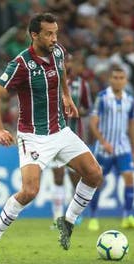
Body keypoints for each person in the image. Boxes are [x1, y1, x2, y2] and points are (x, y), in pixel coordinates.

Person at [0, 13, 103, 259]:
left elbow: (62, 73)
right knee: (29, 191)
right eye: (48, 34)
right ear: (34, 35)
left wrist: (67, 96)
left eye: (55, 32)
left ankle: (67, 221)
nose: (54, 38)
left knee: (94, 174)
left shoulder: (57, 52)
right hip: (33, 136)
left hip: (60, 130)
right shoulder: (20, 64)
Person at [89, 66, 134, 230]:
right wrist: (103, 141)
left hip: (122, 147)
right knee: (97, 182)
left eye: (121, 78)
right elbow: (93, 123)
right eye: (115, 77)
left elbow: (132, 125)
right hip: (104, 148)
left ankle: (128, 216)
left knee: (129, 178)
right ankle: (93, 217)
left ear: (126, 81)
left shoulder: (130, 100)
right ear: (110, 79)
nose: (118, 80)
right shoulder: (103, 97)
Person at [50, 55, 92, 227]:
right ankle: (57, 217)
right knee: (58, 177)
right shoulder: (51, 81)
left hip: (74, 136)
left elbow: (88, 108)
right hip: (53, 135)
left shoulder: (82, 84)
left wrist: (75, 109)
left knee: (77, 178)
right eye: (63, 61)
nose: (66, 64)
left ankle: (72, 216)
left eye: (69, 62)